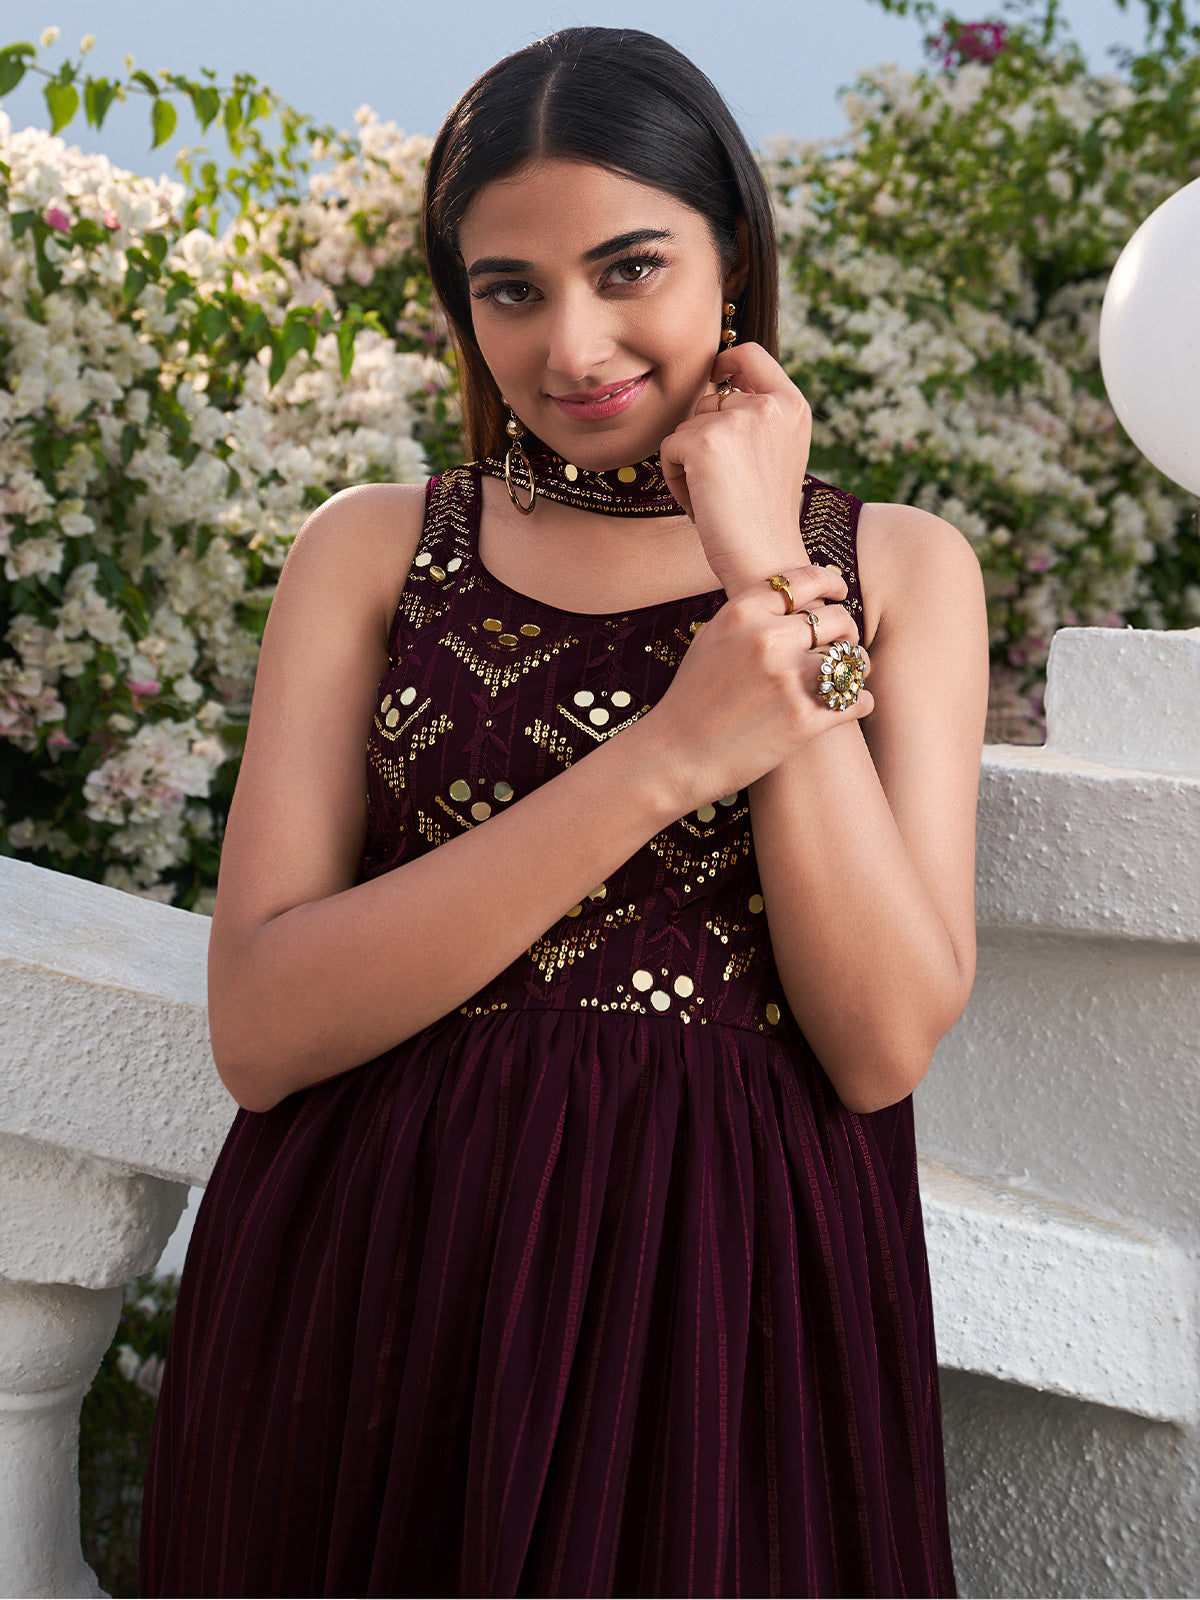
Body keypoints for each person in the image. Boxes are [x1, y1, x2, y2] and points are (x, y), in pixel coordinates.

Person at [141, 25, 987, 1599]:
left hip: (734, 1306)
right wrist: (669, 757)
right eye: (510, 289)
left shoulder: (901, 571)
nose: (571, 343)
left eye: (630, 268)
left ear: (730, 255)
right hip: (374, 1288)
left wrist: (760, 571)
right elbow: (260, 1024)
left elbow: (878, 1040)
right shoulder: (375, 551)